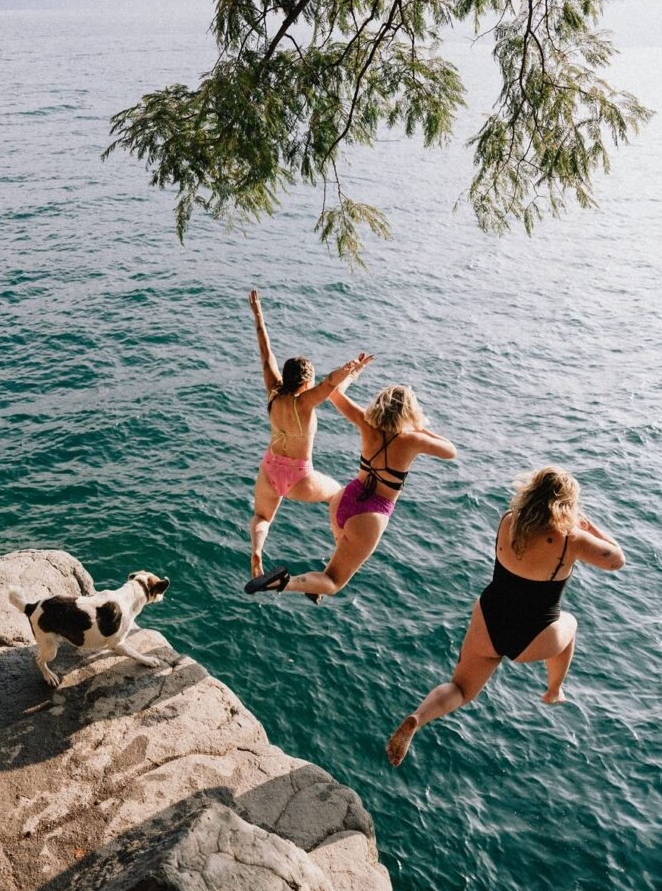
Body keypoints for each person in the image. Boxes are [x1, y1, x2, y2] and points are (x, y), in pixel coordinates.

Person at [386, 466, 625, 767]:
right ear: (567, 505)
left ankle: (418, 718)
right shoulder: (571, 539)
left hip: (489, 620)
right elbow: (617, 559)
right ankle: (554, 690)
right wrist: (588, 528)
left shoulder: (509, 521)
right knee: (571, 624)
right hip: (534, 635)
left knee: (459, 689)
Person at [245, 373, 456, 599]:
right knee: (334, 582)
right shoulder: (413, 441)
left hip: (344, 500)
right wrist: (417, 427)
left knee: (340, 554)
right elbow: (450, 450)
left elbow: (334, 394)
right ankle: (286, 582)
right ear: (409, 414)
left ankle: (315, 587)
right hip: (370, 514)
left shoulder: (366, 422)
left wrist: (353, 373)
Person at [247, 289, 372, 579]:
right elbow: (330, 385)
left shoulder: (274, 393)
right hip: (299, 477)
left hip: (269, 468)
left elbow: (266, 354)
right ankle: (338, 552)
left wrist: (258, 314)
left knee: (262, 517)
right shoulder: (304, 403)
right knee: (339, 495)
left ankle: (256, 551)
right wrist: (350, 367)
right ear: (305, 384)